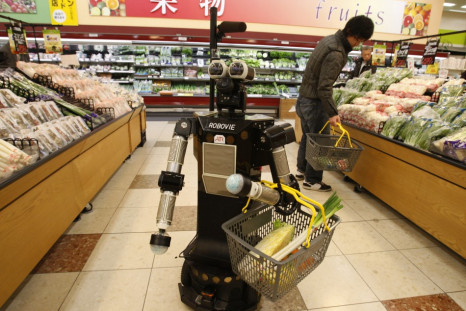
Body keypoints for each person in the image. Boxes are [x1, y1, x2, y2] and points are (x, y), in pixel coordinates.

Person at [296, 15, 374, 191]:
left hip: (304, 99)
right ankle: (313, 180)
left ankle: (301, 170)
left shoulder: (328, 40)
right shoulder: (337, 53)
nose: (358, 44)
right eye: (358, 39)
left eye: (362, 40)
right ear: (349, 32)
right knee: (321, 142)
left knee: (308, 138)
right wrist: (332, 112)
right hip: (315, 103)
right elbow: (324, 87)